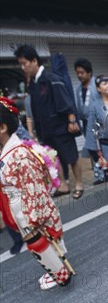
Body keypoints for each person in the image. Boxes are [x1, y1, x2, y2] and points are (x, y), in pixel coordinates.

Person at [0, 97, 74, 290]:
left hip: (27, 203)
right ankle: (53, 269)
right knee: (34, 242)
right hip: (18, 203)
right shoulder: (9, 151)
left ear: (3, 128)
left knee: (41, 238)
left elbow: (34, 186)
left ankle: (59, 272)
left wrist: (34, 215)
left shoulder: (19, 153)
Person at [14, 44, 84, 200]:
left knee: (72, 157)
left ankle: (79, 184)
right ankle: (63, 186)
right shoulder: (32, 83)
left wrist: (72, 120)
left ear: (34, 61)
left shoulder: (51, 78)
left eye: (24, 63)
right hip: (46, 131)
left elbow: (67, 102)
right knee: (53, 158)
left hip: (61, 128)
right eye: (21, 64)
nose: (23, 67)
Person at [85, 75, 108, 196]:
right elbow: (91, 127)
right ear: (98, 88)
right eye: (105, 84)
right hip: (105, 144)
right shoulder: (95, 106)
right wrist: (94, 149)